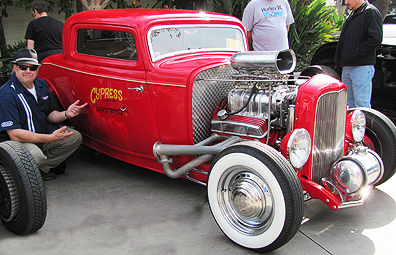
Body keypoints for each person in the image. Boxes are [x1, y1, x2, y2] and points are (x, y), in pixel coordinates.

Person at [0, 49, 87, 181]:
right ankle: (30, 172)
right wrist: (50, 138)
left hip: (41, 132)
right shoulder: (6, 94)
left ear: (38, 68)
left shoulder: (40, 84)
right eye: (23, 67)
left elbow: (50, 114)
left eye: (32, 67)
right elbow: (14, 134)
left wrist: (66, 114)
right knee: (37, 157)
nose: (28, 71)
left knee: (74, 138)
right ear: (15, 68)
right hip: (19, 141)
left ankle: (39, 169)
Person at [335, 0, 383, 108]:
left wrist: (357, 53)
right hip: (347, 66)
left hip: (361, 66)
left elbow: (375, 38)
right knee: (348, 105)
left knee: (362, 105)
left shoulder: (370, 12)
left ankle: (363, 125)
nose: (346, 2)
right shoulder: (352, 14)